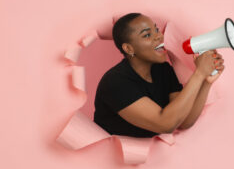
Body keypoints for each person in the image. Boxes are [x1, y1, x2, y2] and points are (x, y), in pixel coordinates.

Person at [93, 13, 225, 137]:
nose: (159, 36)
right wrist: (199, 73)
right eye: (147, 35)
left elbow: (184, 121)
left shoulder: (163, 70)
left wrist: (206, 81)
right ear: (129, 49)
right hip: (109, 157)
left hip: (151, 158)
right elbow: (165, 124)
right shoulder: (115, 82)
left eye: (156, 30)